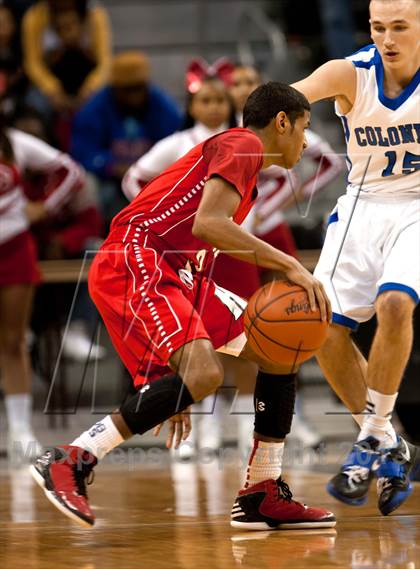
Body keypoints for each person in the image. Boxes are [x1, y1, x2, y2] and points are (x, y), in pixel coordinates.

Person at [30, 82, 336, 531]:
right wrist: (290, 264)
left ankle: (260, 492)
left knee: (279, 348)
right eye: (304, 128)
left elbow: (197, 243)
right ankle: (71, 459)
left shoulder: (244, 173)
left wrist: (178, 383)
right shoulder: (243, 144)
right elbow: (208, 224)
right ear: (282, 122)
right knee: (208, 373)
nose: (306, 141)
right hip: (137, 257)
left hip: (178, 272)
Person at [292, 0, 420, 515]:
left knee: (394, 305)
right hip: (362, 206)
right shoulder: (351, 72)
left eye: (400, 28)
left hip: (416, 208)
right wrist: (269, 114)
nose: (387, 39)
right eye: (378, 27)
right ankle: (392, 443)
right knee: (321, 329)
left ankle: (369, 438)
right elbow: (291, 96)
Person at [0, 112, 84, 463]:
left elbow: (71, 172)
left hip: (14, 248)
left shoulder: (15, 142)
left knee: (13, 341)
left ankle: (20, 429)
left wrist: (43, 208)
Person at [71, 50, 182, 225]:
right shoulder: (93, 109)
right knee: (88, 183)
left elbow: (178, 145)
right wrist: (111, 166)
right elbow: (82, 152)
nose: (134, 96)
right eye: (128, 90)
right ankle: (95, 231)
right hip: (108, 179)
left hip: (152, 177)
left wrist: (149, 168)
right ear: (115, 88)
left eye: (139, 88)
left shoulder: (163, 107)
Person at [22, 0, 111, 114]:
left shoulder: (95, 15)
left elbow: (104, 62)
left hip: (87, 79)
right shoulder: (35, 16)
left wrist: (89, 89)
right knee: (35, 103)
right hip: (49, 80)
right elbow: (32, 63)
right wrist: (53, 90)